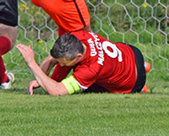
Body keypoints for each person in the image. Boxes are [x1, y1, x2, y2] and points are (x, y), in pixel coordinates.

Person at [16, 31, 149, 95]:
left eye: (63, 63)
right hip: (131, 51)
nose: (60, 65)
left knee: (89, 88)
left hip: (134, 82)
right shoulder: (79, 36)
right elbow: (51, 59)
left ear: (79, 56)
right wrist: (40, 80)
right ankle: (145, 66)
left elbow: (56, 90)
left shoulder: (90, 69)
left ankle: (142, 83)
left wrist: (32, 63)